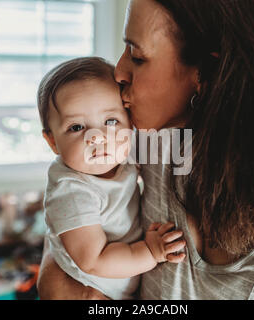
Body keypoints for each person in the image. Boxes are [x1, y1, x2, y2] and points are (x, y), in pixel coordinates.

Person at [37, 0, 254, 300]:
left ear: (207, 73)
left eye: (137, 56)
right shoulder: (151, 143)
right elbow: (65, 251)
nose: (119, 73)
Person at [37, 57, 186, 300]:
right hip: (92, 288)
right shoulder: (72, 190)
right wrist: (149, 251)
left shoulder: (122, 154)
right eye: (76, 127)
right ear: (52, 140)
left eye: (110, 121)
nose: (98, 137)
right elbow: (94, 260)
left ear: (130, 122)